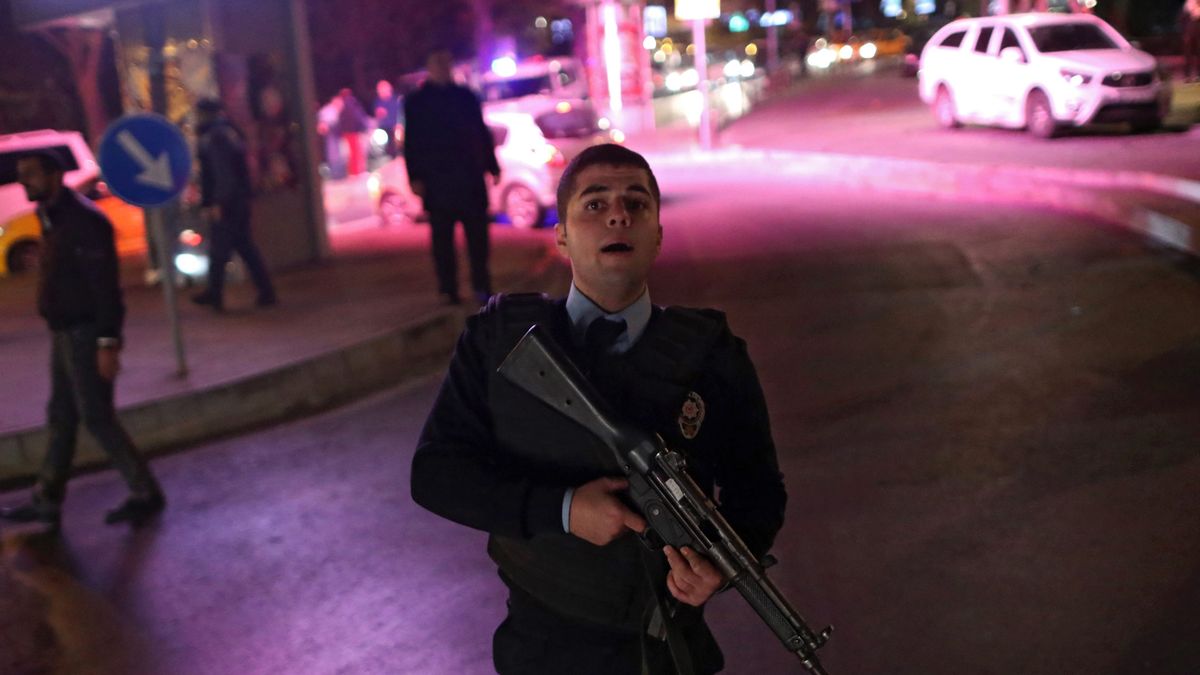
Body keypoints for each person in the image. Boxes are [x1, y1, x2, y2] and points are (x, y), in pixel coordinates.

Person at [410, 144, 787, 674]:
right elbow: (435, 474)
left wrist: (718, 570)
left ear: (657, 234)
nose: (618, 214)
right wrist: (562, 510)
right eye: (594, 203)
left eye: (637, 203)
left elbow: (760, 490)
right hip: (545, 651)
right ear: (561, 235)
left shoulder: (713, 354)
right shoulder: (499, 341)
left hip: (670, 655)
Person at [0, 151, 165, 531]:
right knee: (61, 415)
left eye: (31, 174)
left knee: (96, 416)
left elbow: (106, 289)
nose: (24, 181)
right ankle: (47, 498)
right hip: (62, 333)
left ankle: (145, 492)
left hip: (85, 333)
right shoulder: (51, 215)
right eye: (21, 174)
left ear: (56, 175)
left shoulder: (85, 221)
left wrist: (108, 343)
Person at [403, 48, 500, 306]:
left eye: (446, 62)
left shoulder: (466, 97)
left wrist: (492, 165)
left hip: (468, 177)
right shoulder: (417, 102)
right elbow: (411, 142)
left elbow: (481, 132)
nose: (443, 67)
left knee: (477, 236)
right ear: (429, 66)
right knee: (442, 239)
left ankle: (481, 284)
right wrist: (415, 176)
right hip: (438, 181)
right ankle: (448, 288)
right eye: (437, 62)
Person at [190, 98, 277, 313]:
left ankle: (215, 294)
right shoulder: (227, 132)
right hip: (237, 200)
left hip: (228, 202)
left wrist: (218, 202)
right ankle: (264, 291)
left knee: (220, 250)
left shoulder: (216, 136)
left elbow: (222, 174)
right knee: (244, 246)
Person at [337, 88, 369, 176]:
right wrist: (363, 127)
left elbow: (341, 120)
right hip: (353, 132)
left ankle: (353, 171)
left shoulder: (342, 105)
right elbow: (358, 116)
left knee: (351, 153)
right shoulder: (352, 103)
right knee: (357, 152)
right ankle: (358, 171)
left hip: (346, 132)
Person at [373, 78, 403, 158]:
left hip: (397, 128)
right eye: (379, 90)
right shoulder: (378, 102)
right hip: (385, 130)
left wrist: (399, 124)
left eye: (383, 89)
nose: (381, 92)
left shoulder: (396, 100)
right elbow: (378, 117)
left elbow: (400, 113)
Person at [1184, 0, 1200, 82]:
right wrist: (1186, 34)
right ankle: (1187, 76)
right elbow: (1184, 19)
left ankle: (1198, 75)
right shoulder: (1189, 3)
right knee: (1188, 54)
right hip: (1190, 29)